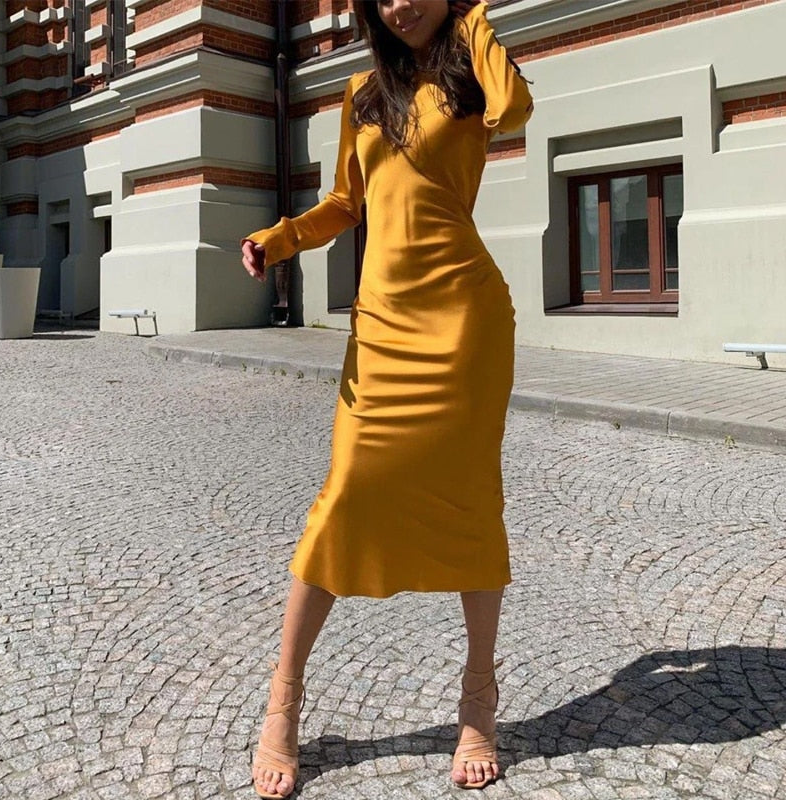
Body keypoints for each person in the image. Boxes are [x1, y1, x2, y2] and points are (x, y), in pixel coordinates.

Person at [240, 0, 533, 796]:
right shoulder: (362, 94)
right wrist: (280, 239)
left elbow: (515, 109)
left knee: (470, 499)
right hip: (383, 326)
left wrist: (475, 18)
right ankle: (284, 701)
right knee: (344, 496)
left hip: (465, 321)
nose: (401, 6)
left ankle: (478, 703)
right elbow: (347, 202)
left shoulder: (473, 74)